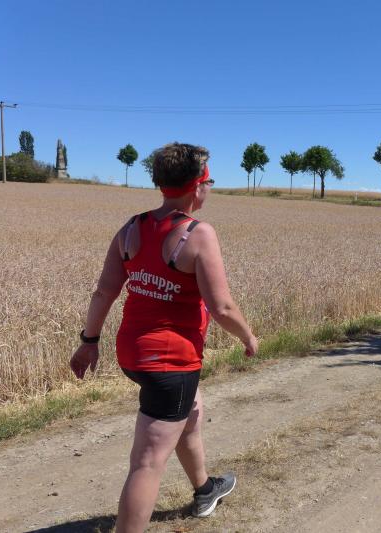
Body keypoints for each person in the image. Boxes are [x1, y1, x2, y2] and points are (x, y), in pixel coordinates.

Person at [69, 142, 259, 532]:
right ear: (197, 186)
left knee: (190, 413)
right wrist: (248, 337)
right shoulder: (198, 235)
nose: (209, 188)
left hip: (133, 354)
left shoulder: (130, 229)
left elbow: (104, 292)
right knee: (147, 462)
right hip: (170, 362)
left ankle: (204, 489)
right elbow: (222, 307)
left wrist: (89, 341)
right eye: (209, 182)